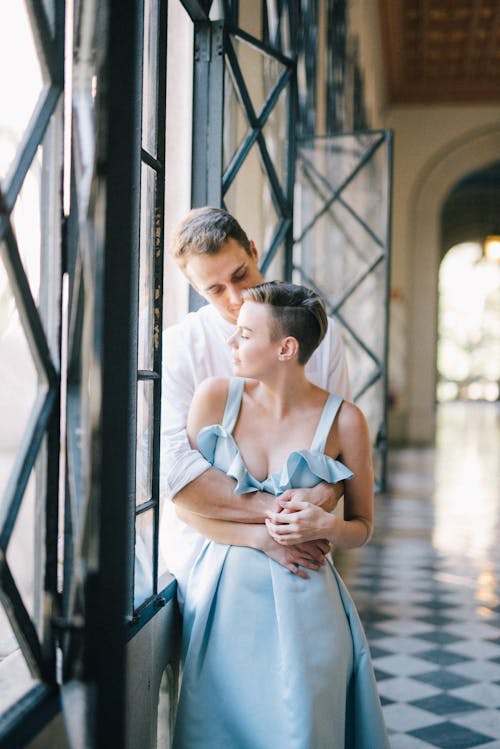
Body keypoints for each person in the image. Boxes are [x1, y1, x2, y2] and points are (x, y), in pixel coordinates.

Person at [171, 281, 389, 749]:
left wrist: (329, 526)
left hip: (309, 606)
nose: (232, 341)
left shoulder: (347, 420)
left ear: (286, 348)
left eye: (245, 334)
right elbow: (186, 507)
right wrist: (259, 539)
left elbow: (363, 528)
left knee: (303, 732)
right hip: (223, 609)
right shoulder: (214, 399)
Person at [161, 206, 351, 601]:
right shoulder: (181, 347)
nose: (235, 298)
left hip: (303, 556)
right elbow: (177, 475)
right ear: (195, 289)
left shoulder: (322, 336)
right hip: (206, 557)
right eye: (214, 290)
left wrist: (325, 498)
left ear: (253, 250)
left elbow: (342, 450)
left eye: (240, 274)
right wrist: (269, 525)